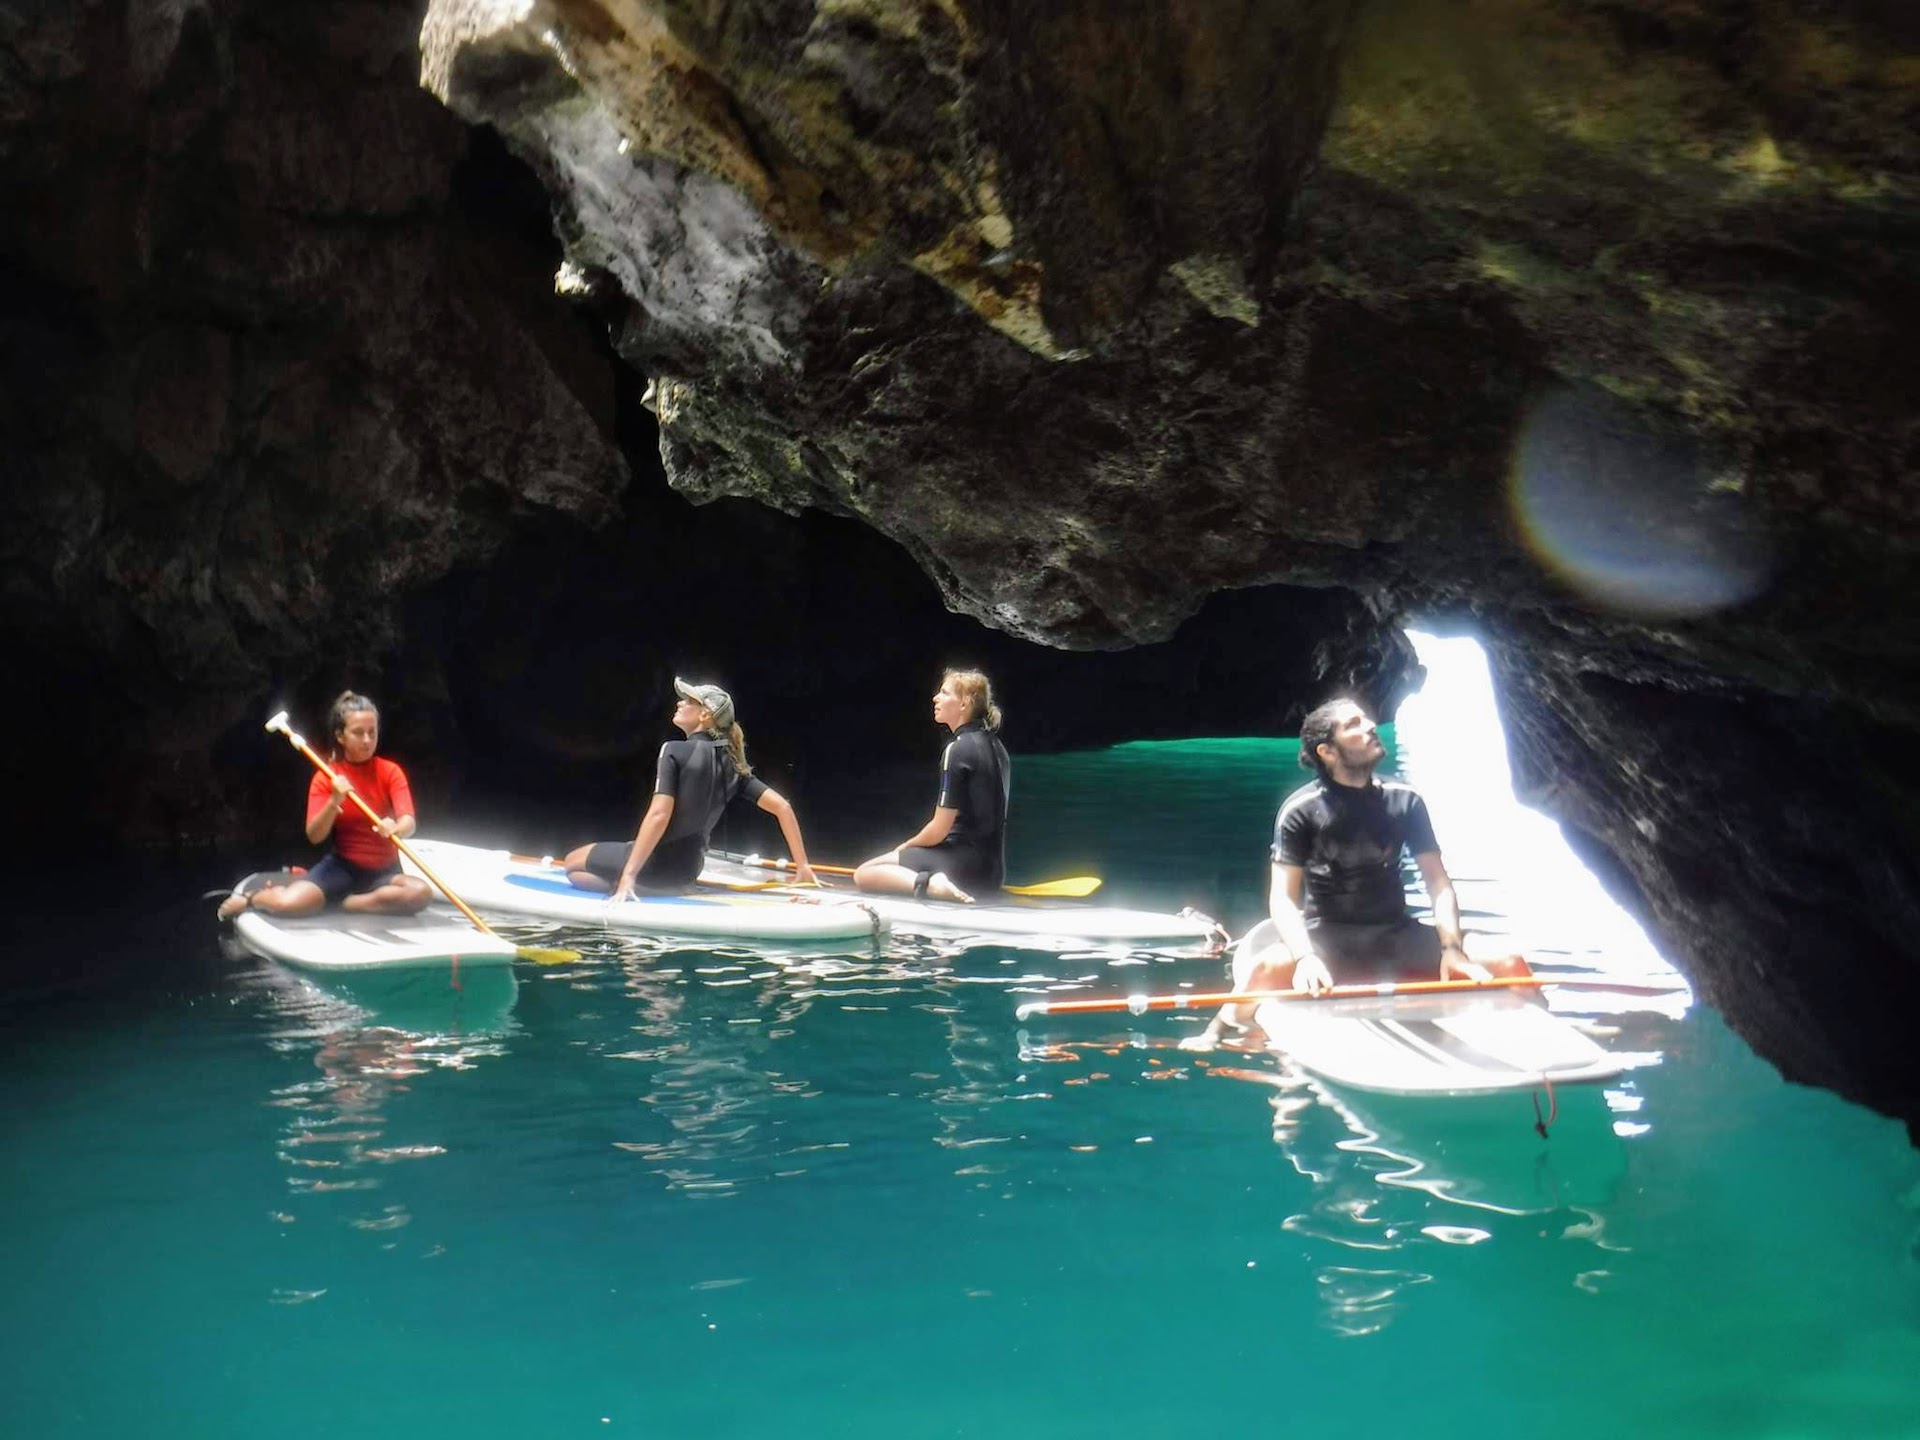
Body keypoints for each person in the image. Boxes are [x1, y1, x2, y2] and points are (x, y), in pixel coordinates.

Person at [1181, 696, 1524, 1050]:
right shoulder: (1301, 810)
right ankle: (1217, 1032)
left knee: (1510, 962)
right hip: (1329, 942)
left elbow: (1438, 882)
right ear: (1327, 751)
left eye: (1365, 719)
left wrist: (1452, 949)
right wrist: (1305, 958)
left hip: (1397, 936)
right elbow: (1283, 898)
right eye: (1353, 725)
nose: (1370, 726)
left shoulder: (1405, 800)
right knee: (1261, 972)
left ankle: (1543, 1045)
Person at [560, 678, 822, 899]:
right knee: (587, 868)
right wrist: (803, 867)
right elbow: (784, 808)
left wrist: (629, 873)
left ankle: (635, 885)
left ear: (705, 715)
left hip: (654, 863)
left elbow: (659, 816)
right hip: (688, 869)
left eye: (688, 701)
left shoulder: (674, 750)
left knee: (572, 864)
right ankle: (660, 886)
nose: (679, 703)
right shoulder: (735, 767)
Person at [217, 691, 433, 920]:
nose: (367, 740)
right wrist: (333, 802)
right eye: (358, 733)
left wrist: (396, 828)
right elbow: (315, 836)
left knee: (419, 893)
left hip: (385, 872)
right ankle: (252, 897)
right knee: (290, 904)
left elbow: (408, 821)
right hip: (342, 868)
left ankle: (349, 903)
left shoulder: (390, 771)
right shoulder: (326, 777)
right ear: (341, 736)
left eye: (372, 732)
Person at [854, 669, 1010, 904]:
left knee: (864, 873)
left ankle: (930, 884)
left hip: (959, 869)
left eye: (944, 693)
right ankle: (933, 876)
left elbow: (939, 829)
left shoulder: (957, 749)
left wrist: (904, 847)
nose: (935, 698)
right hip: (993, 874)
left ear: (964, 703)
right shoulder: (998, 748)